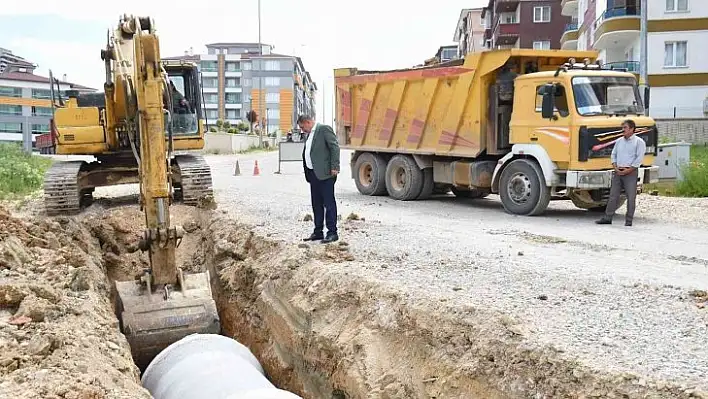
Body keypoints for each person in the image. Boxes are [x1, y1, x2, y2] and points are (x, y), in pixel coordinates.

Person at [298, 114, 340, 243]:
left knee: (329, 203)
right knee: (316, 204)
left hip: (325, 174)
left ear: (308, 122)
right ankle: (318, 232)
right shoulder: (310, 134)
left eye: (302, 126)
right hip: (313, 175)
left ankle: (332, 232)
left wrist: (335, 166)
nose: (302, 130)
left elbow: (334, 147)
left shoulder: (323, 129)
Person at [596, 119, 646, 227]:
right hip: (618, 172)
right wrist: (615, 167)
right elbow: (613, 155)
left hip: (630, 172)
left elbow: (639, 159)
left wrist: (629, 170)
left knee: (631, 196)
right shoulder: (619, 141)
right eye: (622, 128)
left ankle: (629, 221)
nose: (623, 130)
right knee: (613, 195)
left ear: (632, 129)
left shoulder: (639, 142)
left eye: (625, 128)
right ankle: (607, 217)